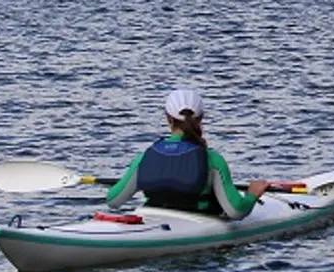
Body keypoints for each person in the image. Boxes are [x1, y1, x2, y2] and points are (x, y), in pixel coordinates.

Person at [105, 88, 271, 219]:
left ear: (168, 119)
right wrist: (251, 195)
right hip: (200, 221)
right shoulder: (212, 159)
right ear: (201, 118)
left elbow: (113, 200)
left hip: (153, 215)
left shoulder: (145, 156)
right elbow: (236, 211)